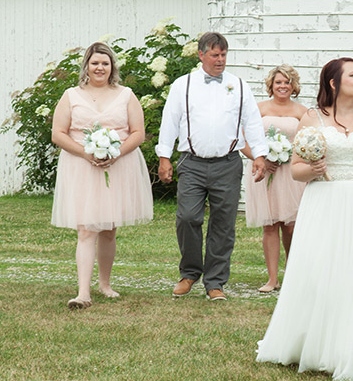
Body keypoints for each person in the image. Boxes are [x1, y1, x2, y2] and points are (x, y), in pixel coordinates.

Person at [256, 58, 353, 381]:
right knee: (325, 270)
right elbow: (297, 169)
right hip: (325, 202)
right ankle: (321, 340)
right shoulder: (313, 118)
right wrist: (311, 169)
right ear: (333, 83)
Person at [156, 32, 268, 301]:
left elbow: (252, 122)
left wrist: (260, 155)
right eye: (215, 55)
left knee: (223, 224)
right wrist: (164, 156)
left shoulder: (239, 85)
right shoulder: (182, 85)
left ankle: (215, 282)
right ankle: (190, 273)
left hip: (228, 164)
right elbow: (169, 121)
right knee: (187, 217)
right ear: (201, 55)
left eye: (224, 55)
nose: (220, 60)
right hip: (192, 163)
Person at [50, 42, 153, 310]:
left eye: (105, 63)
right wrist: (86, 153)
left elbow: (137, 133)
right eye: (95, 63)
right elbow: (58, 133)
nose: (100, 68)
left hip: (117, 166)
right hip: (81, 167)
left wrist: (116, 154)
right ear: (86, 66)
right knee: (86, 229)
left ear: (112, 67)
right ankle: (82, 293)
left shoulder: (126, 95)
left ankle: (105, 284)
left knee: (108, 229)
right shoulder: (71, 95)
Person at [241, 65, 307, 293]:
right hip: (264, 172)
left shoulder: (302, 112)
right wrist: (260, 159)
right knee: (269, 226)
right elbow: (243, 142)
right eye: (278, 82)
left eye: (287, 82)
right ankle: (271, 279)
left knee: (290, 226)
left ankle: (291, 275)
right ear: (271, 85)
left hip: (291, 175)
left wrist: (289, 157)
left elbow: (308, 143)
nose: (283, 86)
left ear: (294, 86)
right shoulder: (257, 109)